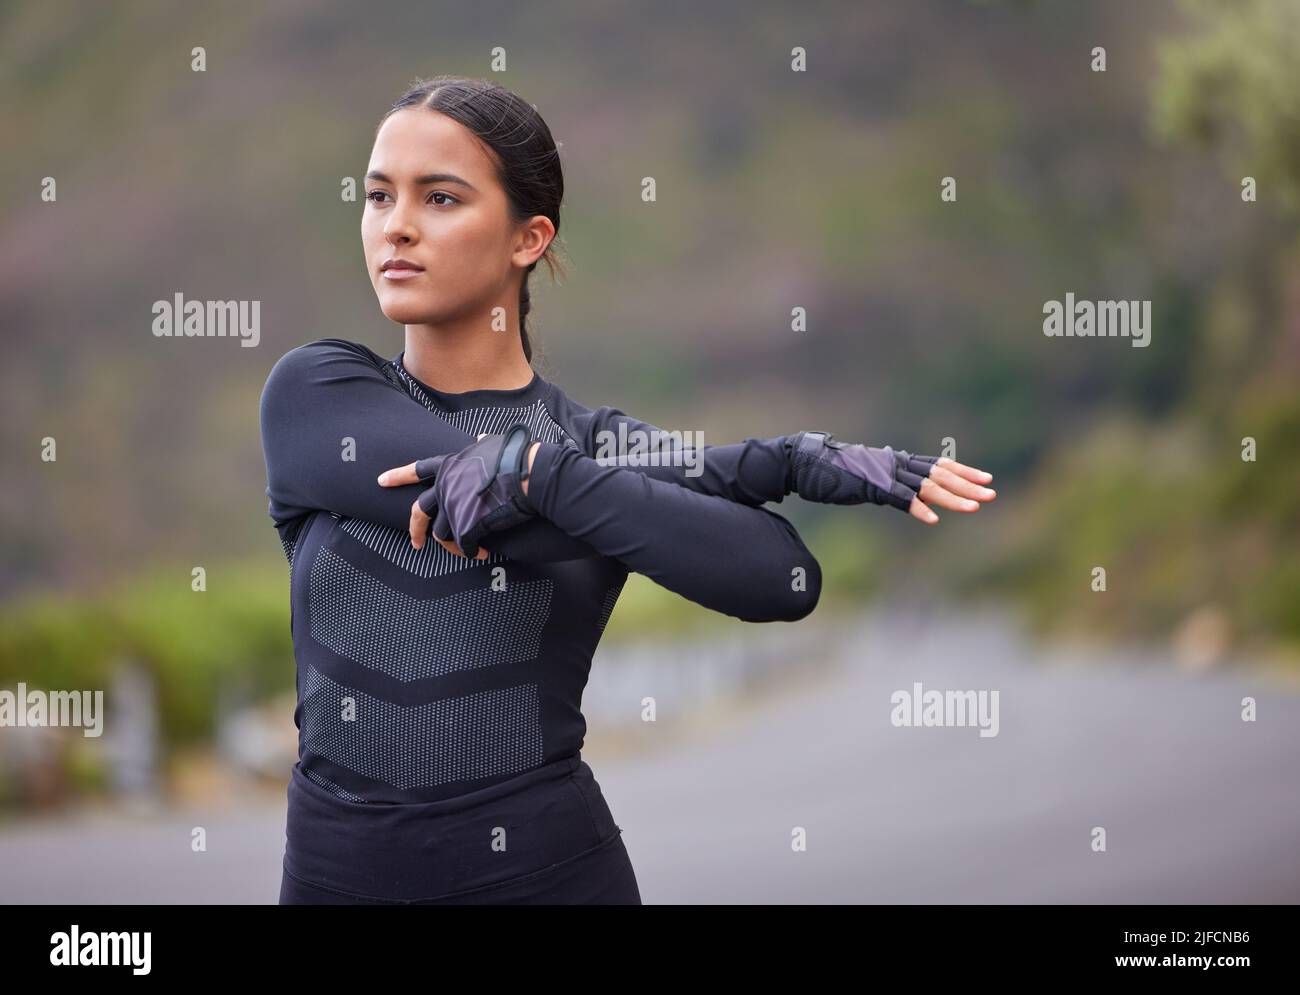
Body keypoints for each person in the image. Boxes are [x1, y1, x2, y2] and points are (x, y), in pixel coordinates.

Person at [259, 75, 996, 905]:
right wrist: (766, 464)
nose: (396, 225)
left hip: (548, 876)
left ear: (527, 238)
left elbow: (782, 579)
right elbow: (495, 508)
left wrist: (549, 474)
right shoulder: (320, 399)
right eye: (378, 195)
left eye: (440, 197)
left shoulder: (587, 446)